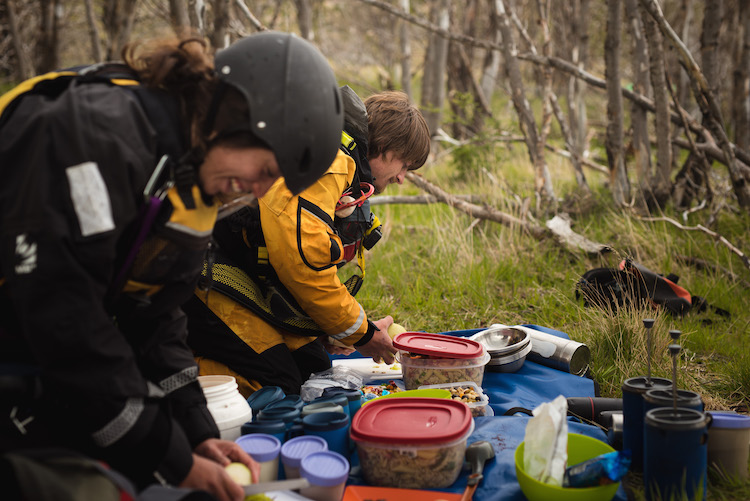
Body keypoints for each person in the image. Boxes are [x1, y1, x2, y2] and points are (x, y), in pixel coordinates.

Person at [0, 31, 343, 501]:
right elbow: (69, 320)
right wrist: (171, 456)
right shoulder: (90, 137)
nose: (260, 191)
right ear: (235, 120)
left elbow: (158, 317)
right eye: (265, 170)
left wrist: (197, 432)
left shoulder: (192, 177)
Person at [183, 87, 430, 397]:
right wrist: (364, 334)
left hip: (238, 272)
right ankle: (162, 375)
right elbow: (303, 264)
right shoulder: (331, 162)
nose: (401, 178)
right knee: (277, 387)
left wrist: (334, 329)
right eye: (404, 165)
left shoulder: (337, 158)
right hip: (200, 275)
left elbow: (286, 257)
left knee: (313, 373)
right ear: (386, 146)